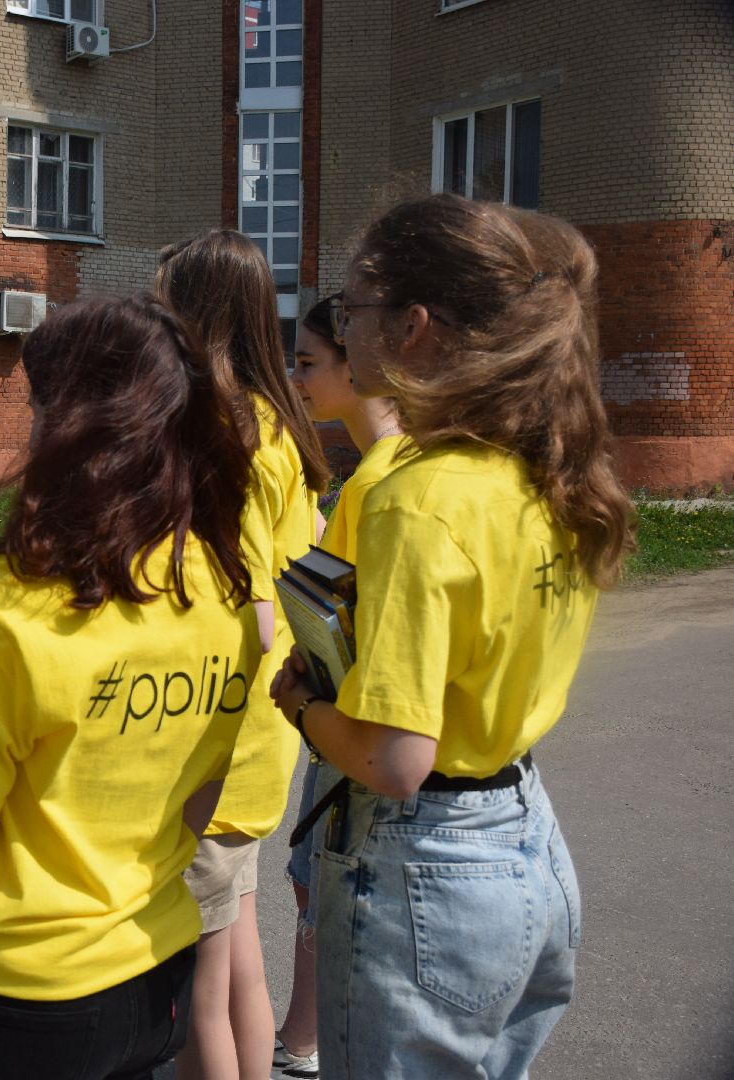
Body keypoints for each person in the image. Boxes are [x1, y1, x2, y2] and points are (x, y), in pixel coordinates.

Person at [0, 294, 264, 1080]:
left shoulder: (1, 605)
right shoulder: (222, 590)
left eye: (38, 407)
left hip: (9, 994)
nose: (30, 430)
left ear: (73, 426)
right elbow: (197, 805)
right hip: (153, 973)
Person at [270, 193, 635, 1079]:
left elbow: (396, 759)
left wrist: (304, 705)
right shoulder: (544, 467)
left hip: (424, 862)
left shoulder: (418, 499)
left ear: (414, 327)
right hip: (523, 837)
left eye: (352, 310)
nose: (343, 331)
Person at [155, 230, 329, 1080]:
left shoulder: (228, 433)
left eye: (166, 305)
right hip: (263, 728)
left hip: (217, 731)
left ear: (200, 316)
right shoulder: (282, 425)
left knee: (198, 988)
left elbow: (252, 610)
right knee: (236, 957)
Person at [269, 298, 407, 1080]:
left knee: (322, 884)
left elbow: (351, 630)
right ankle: (303, 1034)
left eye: (308, 362)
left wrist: (302, 698)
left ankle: (307, 1040)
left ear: (357, 365)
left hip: (348, 729)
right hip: (350, 726)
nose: (297, 379)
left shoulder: (381, 482)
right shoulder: (375, 474)